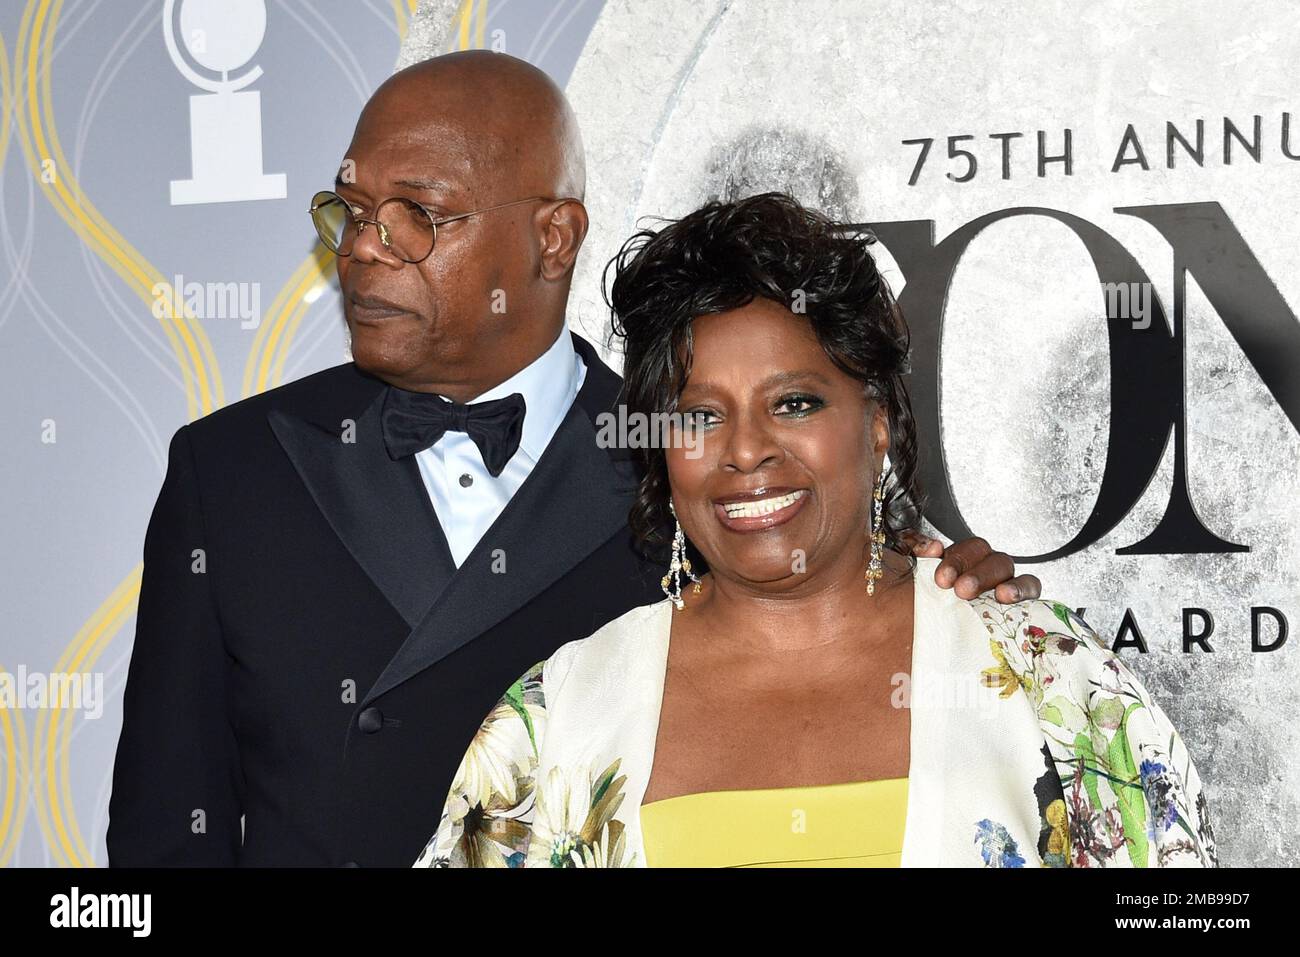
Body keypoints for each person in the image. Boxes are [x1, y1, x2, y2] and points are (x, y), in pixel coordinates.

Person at [106, 54, 1035, 867]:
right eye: (350, 213)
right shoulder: (229, 472)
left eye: (415, 217)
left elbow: (854, 628)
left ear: (554, 237)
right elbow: (162, 835)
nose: (360, 251)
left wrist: (960, 597)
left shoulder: (698, 464)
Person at [416, 193, 1217, 869]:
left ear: (875, 422)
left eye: (794, 402)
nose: (745, 450)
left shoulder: (1042, 670)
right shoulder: (560, 708)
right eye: (699, 415)